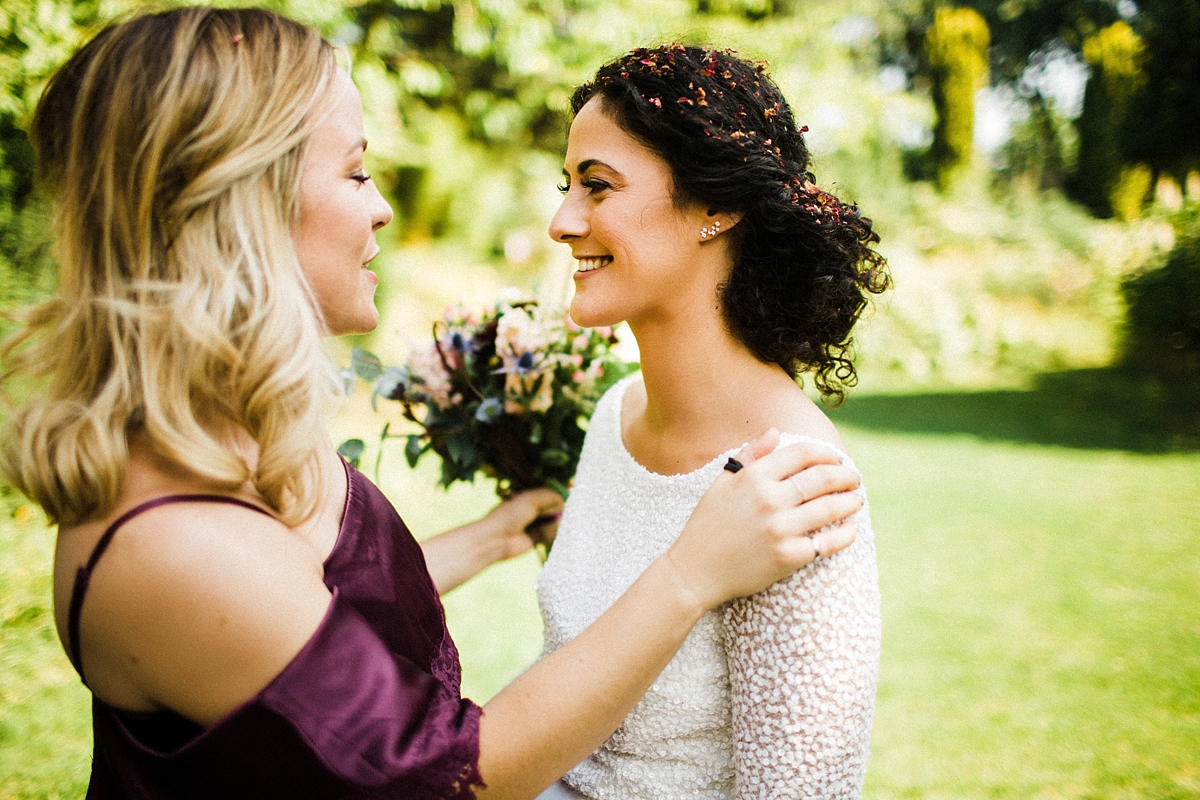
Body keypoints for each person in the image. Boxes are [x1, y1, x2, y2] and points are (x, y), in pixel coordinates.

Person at [0, 10, 866, 799]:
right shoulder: (175, 545)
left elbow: (322, 604)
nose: (382, 208)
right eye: (355, 172)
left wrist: (493, 536)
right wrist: (688, 571)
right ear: (240, 207)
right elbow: (446, 774)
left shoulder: (219, 436)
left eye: (595, 185)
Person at [539, 45, 892, 799]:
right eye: (566, 186)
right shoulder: (615, 416)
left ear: (718, 208)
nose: (562, 221)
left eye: (596, 187)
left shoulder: (796, 480)